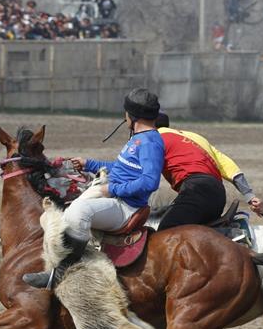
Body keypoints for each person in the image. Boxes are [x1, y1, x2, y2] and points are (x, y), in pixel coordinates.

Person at [23, 89, 164, 289]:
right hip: (115, 197)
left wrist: (113, 189)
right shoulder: (139, 139)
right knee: (57, 212)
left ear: (131, 116)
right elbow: (122, 167)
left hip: (127, 207)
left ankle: (62, 275)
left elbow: (150, 182)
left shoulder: (150, 142)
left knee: (79, 213)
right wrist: (89, 164)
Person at [154, 113, 263, 230]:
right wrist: (250, 196)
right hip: (217, 194)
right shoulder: (195, 137)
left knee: (166, 231)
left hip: (196, 190)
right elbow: (228, 165)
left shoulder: (153, 139)